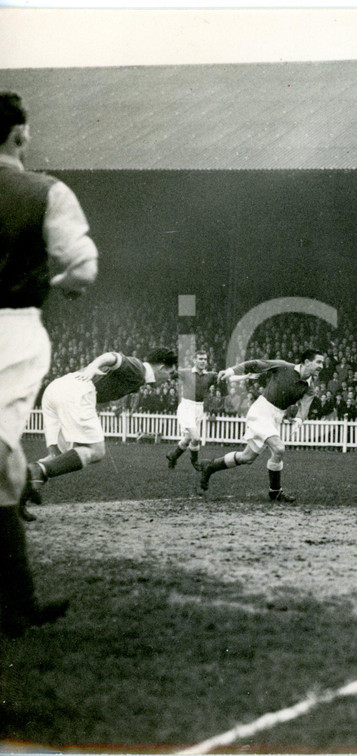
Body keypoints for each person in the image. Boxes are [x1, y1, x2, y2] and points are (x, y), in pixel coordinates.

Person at [0, 91, 99, 636]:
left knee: (7, 467)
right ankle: (17, 604)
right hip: (11, 329)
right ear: (19, 135)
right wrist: (54, 282)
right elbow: (82, 269)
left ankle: (18, 603)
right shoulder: (45, 191)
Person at [21, 348, 179, 517]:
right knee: (96, 451)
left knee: (58, 457)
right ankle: (36, 471)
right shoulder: (139, 369)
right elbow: (112, 357)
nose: (169, 380)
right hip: (77, 390)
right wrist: (91, 368)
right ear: (162, 368)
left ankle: (18, 494)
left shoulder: (139, 379)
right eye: (171, 374)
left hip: (56, 389)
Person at [197, 349, 326, 503]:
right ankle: (275, 491)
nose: (322, 366)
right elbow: (255, 364)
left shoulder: (310, 387)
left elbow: (304, 408)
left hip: (275, 418)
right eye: (318, 362)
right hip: (261, 412)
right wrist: (231, 370)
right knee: (279, 449)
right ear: (306, 362)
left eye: (322, 363)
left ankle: (210, 467)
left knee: (247, 457)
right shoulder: (283, 366)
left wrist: (298, 421)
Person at [165, 350, 220, 471]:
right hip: (186, 407)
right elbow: (169, 374)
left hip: (199, 408)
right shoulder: (185, 372)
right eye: (200, 359)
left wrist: (245, 376)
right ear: (194, 360)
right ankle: (195, 463)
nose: (203, 361)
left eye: (205, 359)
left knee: (187, 439)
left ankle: (173, 456)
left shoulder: (210, 375)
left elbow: (227, 376)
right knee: (196, 438)